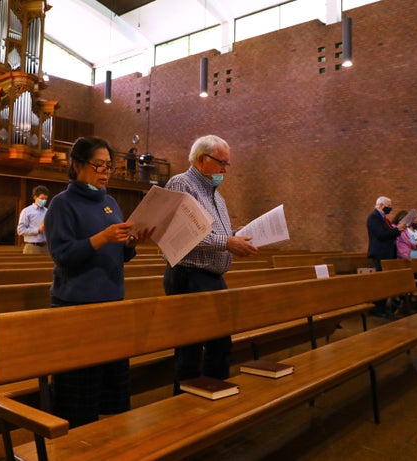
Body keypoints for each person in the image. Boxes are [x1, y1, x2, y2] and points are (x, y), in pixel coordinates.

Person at [44, 136, 152, 428]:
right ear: (77, 165)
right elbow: (63, 255)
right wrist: (102, 238)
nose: (105, 171)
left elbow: (119, 255)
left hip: (112, 304)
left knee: (113, 395)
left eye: (109, 166)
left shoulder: (110, 202)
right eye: (98, 165)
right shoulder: (61, 204)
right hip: (77, 307)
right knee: (80, 396)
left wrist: (130, 243)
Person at [163, 134, 258, 395]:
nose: (225, 170)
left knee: (220, 344)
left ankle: (215, 400)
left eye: (227, 164)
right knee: (190, 349)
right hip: (188, 274)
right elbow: (182, 233)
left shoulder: (217, 197)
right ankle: (184, 409)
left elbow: (215, 233)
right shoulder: (181, 184)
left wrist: (237, 236)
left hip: (212, 277)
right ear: (202, 159)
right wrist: (226, 243)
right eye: (221, 163)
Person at [366, 196, 406, 317]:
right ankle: (378, 308)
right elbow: (381, 235)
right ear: (382, 205)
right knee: (381, 282)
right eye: (389, 205)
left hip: (387, 254)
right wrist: (397, 229)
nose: (390, 207)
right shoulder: (373, 217)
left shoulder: (384, 218)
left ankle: (383, 307)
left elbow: (389, 234)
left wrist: (398, 231)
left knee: (386, 282)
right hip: (380, 253)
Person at [16, 185, 50, 254]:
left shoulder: (48, 211)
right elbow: (20, 230)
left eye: (45, 199)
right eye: (42, 198)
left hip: (46, 247)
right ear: (35, 197)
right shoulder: (26, 211)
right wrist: (38, 230)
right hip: (32, 247)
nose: (44, 201)